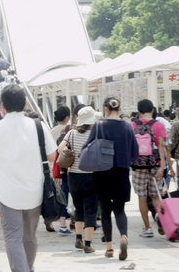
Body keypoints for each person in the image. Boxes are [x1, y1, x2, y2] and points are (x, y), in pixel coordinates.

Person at [0, 85, 57, 272]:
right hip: (34, 192)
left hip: (7, 193)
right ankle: (28, 268)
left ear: (2, 105)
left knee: (13, 237)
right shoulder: (38, 126)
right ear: (26, 103)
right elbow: (52, 156)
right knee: (30, 236)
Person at [83, 97, 137, 261]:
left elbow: (87, 146)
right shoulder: (127, 126)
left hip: (102, 172)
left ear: (105, 108)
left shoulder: (99, 125)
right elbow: (135, 152)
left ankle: (109, 249)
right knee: (120, 209)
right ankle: (124, 236)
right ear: (119, 108)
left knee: (105, 210)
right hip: (121, 172)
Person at [57, 107, 100, 254]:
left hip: (74, 176)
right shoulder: (95, 134)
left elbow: (59, 148)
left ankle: (78, 238)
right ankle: (88, 244)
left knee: (79, 208)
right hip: (91, 175)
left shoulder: (71, 133)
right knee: (91, 210)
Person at [130, 99, 166, 238]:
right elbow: (161, 147)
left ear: (139, 112)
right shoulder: (159, 125)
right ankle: (163, 222)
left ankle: (147, 228)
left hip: (138, 165)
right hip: (155, 164)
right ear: (152, 110)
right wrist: (162, 166)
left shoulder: (133, 125)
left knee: (142, 196)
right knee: (156, 196)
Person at [47, 105, 73, 235]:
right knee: (68, 194)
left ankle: (52, 220)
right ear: (67, 117)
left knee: (58, 195)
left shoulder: (51, 131)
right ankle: (70, 219)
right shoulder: (70, 130)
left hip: (54, 167)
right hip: (67, 166)